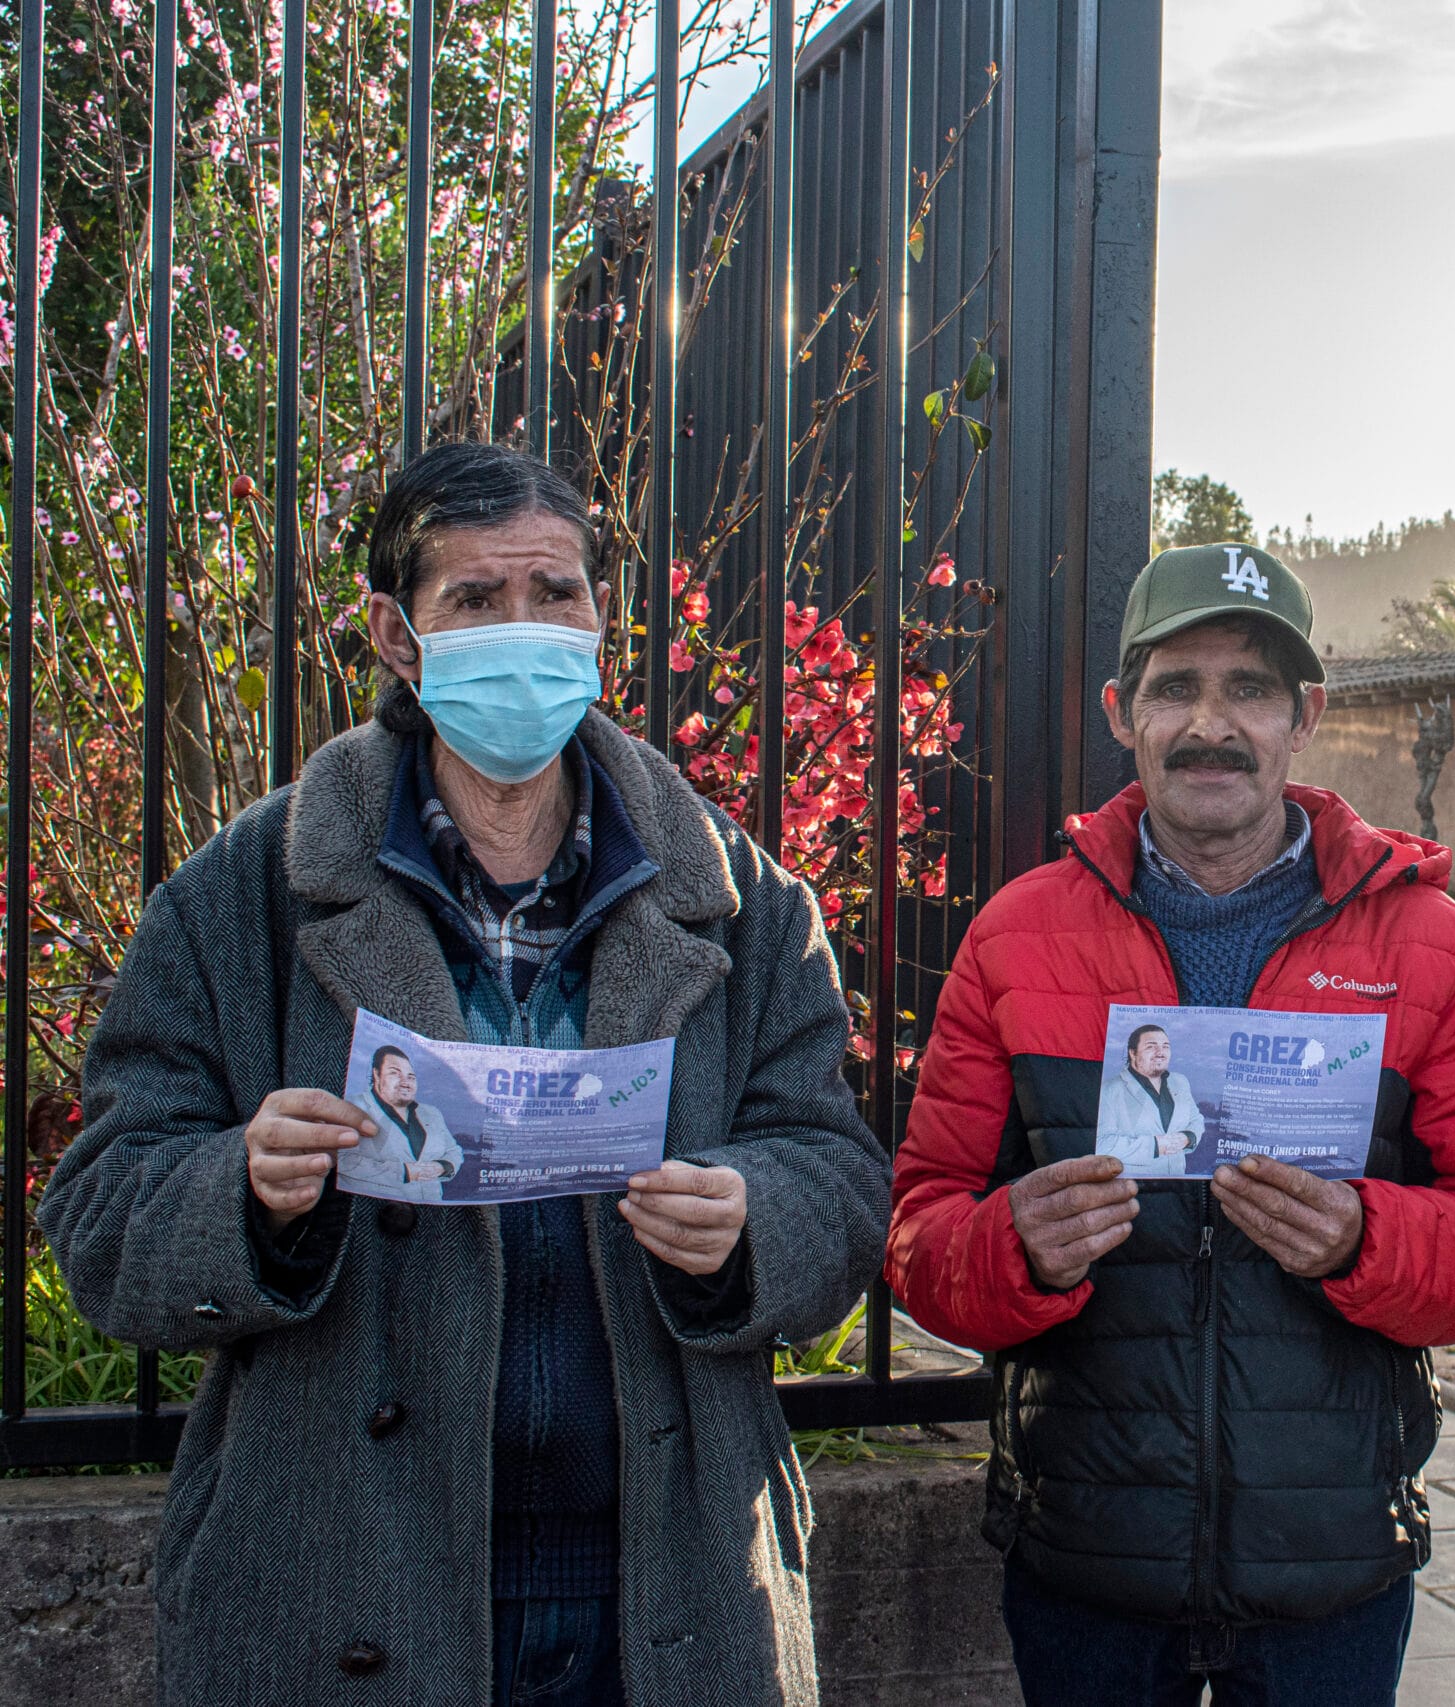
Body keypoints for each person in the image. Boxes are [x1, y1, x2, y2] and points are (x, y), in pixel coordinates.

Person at [39, 441, 890, 1707]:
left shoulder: (743, 899)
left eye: (556, 594)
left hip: (665, 1582)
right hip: (338, 1580)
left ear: (603, 619)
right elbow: (99, 1211)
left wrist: (752, 1217)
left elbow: (838, 1176)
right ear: (395, 635)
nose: (525, 631)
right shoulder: (241, 894)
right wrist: (243, 1190)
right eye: (475, 602)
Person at [886, 541, 1455, 1706]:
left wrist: (1365, 1241)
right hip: (1084, 1561)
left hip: (1331, 1574)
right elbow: (917, 1231)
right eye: (1175, 687)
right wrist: (1011, 1248)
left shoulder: (1431, 949)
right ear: (1121, 712)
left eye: (1249, 688)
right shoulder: (1014, 937)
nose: (1212, 723)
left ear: (1305, 714)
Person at [340, 1043, 465, 1202]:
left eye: (410, 1076)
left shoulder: (431, 1113)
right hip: (373, 1213)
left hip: (433, 1214)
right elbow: (343, 1160)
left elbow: (454, 1150)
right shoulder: (353, 1106)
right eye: (395, 1073)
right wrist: (404, 1171)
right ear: (377, 1075)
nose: (405, 1082)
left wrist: (443, 1167)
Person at [1095, 1023, 1204, 1177]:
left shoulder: (1180, 1082)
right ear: (1133, 1053)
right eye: (1151, 1047)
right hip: (1135, 1190)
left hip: (1179, 1186)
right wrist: (1155, 1146)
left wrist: (1188, 1138)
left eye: (1166, 1046)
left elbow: (1196, 1119)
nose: (1161, 1052)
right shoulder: (1109, 1090)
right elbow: (1101, 1144)